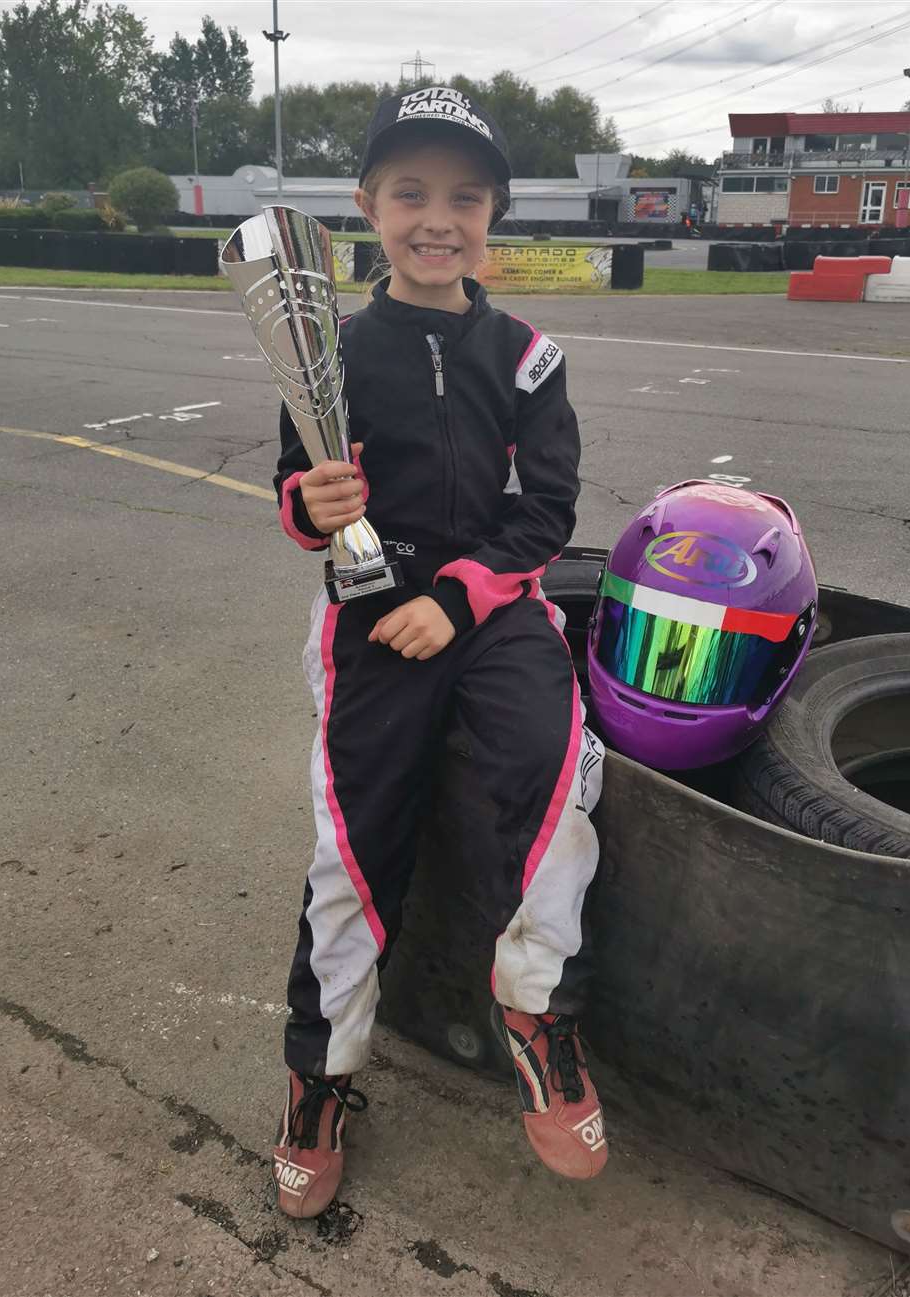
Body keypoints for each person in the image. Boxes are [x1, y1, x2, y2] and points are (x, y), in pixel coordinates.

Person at [270, 86, 608, 1220]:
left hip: (494, 603)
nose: (436, 217)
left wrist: (460, 602)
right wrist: (315, 503)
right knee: (352, 841)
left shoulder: (525, 355)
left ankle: (535, 1014)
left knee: (555, 776)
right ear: (368, 205)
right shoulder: (332, 348)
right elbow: (296, 493)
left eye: (464, 196)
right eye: (410, 191)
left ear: (494, 215)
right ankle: (321, 1078)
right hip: (373, 609)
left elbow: (547, 510)